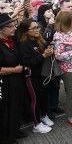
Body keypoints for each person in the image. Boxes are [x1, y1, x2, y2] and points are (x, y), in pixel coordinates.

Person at [19, 18, 54, 133]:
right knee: (36, 99)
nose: (37, 30)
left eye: (37, 27)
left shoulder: (39, 39)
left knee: (44, 97)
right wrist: (44, 55)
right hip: (32, 76)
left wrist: (49, 50)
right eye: (33, 28)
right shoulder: (24, 44)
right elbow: (29, 62)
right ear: (26, 31)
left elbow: (43, 53)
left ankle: (43, 116)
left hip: (43, 74)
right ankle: (36, 124)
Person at [0, 13, 28, 144]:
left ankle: (15, 130)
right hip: (5, 82)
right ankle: (6, 137)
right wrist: (14, 70)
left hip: (17, 80)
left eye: (14, 26)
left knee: (17, 105)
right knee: (7, 108)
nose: (14, 29)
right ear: (1, 29)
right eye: (10, 27)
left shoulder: (12, 40)